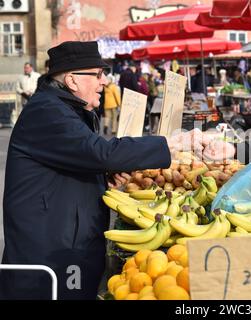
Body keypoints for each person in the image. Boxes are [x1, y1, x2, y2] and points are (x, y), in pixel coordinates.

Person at [0, 41, 189, 300]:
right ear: (72, 80)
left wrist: (103, 176)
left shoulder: (63, 108)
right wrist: (169, 145)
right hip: (50, 254)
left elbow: (74, 159)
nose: (105, 81)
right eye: (98, 74)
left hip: (66, 241)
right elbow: (99, 151)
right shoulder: (47, 111)